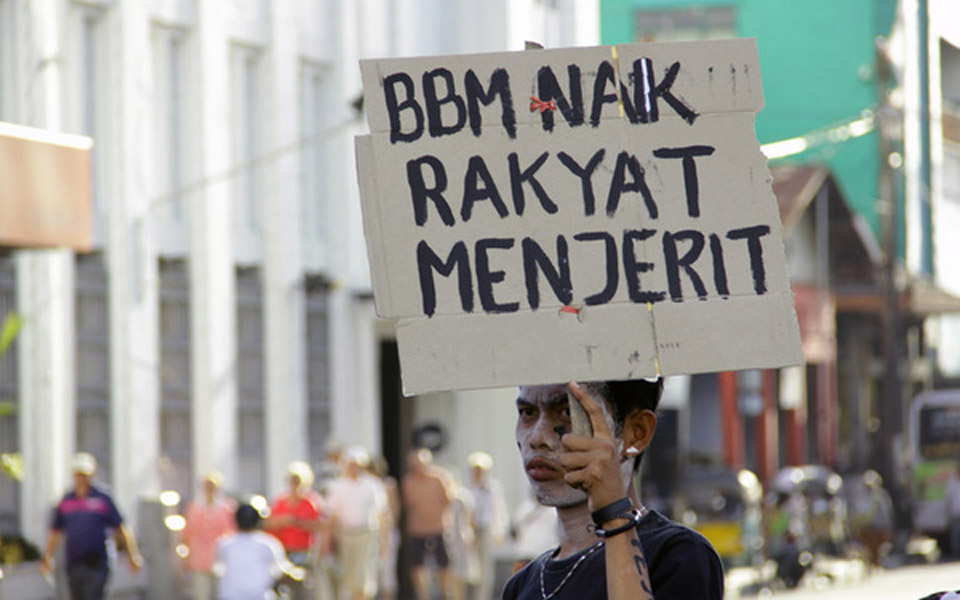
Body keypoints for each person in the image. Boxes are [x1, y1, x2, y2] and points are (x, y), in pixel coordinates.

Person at [502, 380, 724, 600]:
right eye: (527, 412)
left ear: (637, 432)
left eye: (568, 413)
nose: (538, 438)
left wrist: (614, 515)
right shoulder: (521, 586)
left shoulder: (678, 554)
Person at [39, 452, 144, 600]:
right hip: (74, 562)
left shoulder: (103, 498)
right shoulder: (67, 500)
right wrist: (47, 557)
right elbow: (55, 531)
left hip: (98, 562)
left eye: (85, 474)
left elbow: (121, 527)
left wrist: (132, 554)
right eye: (78, 474)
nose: (82, 479)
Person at [325, 446, 388, 600]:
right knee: (344, 577)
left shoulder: (372, 486)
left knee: (363, 578)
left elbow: (381, 515)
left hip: (365, 536)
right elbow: (331, 517)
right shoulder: (337, 486)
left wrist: (384, 542)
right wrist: (328, 543)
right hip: (344, 536)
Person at [265, 460, 327, 600]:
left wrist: (301, 523)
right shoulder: (281, 500)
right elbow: (270, 523)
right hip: (284, 549)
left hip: (303, 550)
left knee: (302, 587)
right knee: (284, 588)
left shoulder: (311, 501)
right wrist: (284, 521)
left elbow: (320, 524)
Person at [215, 503, 304, 600]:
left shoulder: (224, 544)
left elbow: (217, 569)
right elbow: (281, 570)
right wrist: (297, 572)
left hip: (229, 596)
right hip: (259, 596)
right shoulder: (268, 544)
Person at [402, 448, 453, 600]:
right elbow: (408, 505)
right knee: (418, 567)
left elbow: (448, 500)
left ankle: (445, 594)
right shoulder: (409, 482)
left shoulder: (439, 478)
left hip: (438, 528)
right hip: (417, 530)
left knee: (443, 566)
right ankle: (423, 596)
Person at [180, 471, 237, 600]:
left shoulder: (227, 508)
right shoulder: (194, 507)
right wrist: (185, 557)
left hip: (220, 557)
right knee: (201, 594)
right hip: (198, 558)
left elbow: (232, 533)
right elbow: (187, 534)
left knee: (220, 593)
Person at [465, 451, 508, 600]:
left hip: (484, 530)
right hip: (468, 532)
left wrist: (499, 531)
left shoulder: (492, 488)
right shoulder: (466, 488)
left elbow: (498, 510)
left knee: (485, 570)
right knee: (470, 570)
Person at [946, 462, 960, 558]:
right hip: (956, 511)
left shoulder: (953, 481)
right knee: (955, 533)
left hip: (955, 510)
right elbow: (949, 496)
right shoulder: (952, 481)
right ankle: (956, 552)